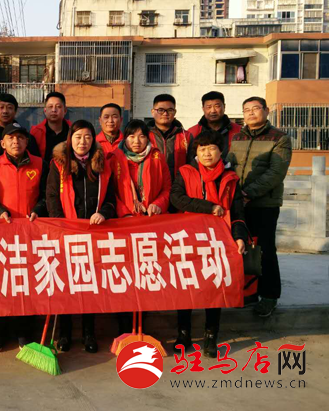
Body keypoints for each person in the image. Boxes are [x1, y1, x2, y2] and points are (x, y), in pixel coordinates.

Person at [171, 130, 248, 357]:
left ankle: (211, 336)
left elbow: (237, 211)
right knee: (186, 285)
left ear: (220, 151)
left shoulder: (230, 177)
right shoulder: (186, 172)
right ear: (196, 152)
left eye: (212, 148)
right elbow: (177, 199)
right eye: (202, 149)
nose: (207, 154)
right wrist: (209, 207)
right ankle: (183, 334)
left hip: (218, 240)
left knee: (214, 287)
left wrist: (239, 236)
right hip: (188, 238)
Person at [46, 119, 116, 353]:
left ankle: (88, 333)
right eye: (77, 137)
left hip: (94, 234)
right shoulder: (58, 165)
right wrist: (60, 225)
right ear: (70, 140)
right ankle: (64, 334)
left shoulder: (102, 165)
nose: (82, 142)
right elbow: (52, 197)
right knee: (66, 285)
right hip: (66, 234)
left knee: (89, 285)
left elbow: (111, 199)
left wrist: (103, 213)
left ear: (93, 139)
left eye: (87, 137)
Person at [0, 123, 48, 352]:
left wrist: (38, 209)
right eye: (11, 138)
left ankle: (24, 332)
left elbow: (47, 195)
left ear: (27, 141)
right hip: (1, 234)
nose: (16, 142)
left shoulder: (40, 164)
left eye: (20, 137)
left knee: (27, 283)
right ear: (3, 143)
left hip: (31, 234)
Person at [227, 97, 292, 318]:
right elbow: (229, 166)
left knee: (264, 250)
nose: (251, 113)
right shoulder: (238, 137)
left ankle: (270, 296)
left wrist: (248, 194)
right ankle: (247, 292)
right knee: (240, 248)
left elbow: (276, 172)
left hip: (264, 204)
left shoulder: (279, 138)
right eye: (246, 110)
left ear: (266, 110)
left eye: (256, 108)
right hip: (238, 203)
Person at [110, 120, 171, 218]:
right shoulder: (114, 159)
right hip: (124, 219)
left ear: (147, 138)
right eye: (132, 136)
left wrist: (158, 204)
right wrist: (124, 213)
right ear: (125, 138)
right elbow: (110, 192)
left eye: (142, 136)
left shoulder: (158, 158)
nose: (136, 141)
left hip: (152, 217)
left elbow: (167, 188)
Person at [148, 94, 193, 179]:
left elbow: (192, 165)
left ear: (175, 112)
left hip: (179, 184)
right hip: (152, 184)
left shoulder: (186, 136)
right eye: (160, 110)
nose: (165, 113)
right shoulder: (145, 136)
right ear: (153, 112)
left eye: (170, 110)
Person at [187, 91, 241, 161]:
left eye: (217, 106)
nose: (213, 111)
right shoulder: (192, 132)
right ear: (203, 109)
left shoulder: (238, 131)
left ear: (224, 107)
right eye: (209, 107)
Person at [30, 91, 71, 164]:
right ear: (45, 110)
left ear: (65, 110)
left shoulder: (73, 131)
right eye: (50, 106)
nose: (54, 110)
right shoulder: (35, 132)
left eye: (58, 106)